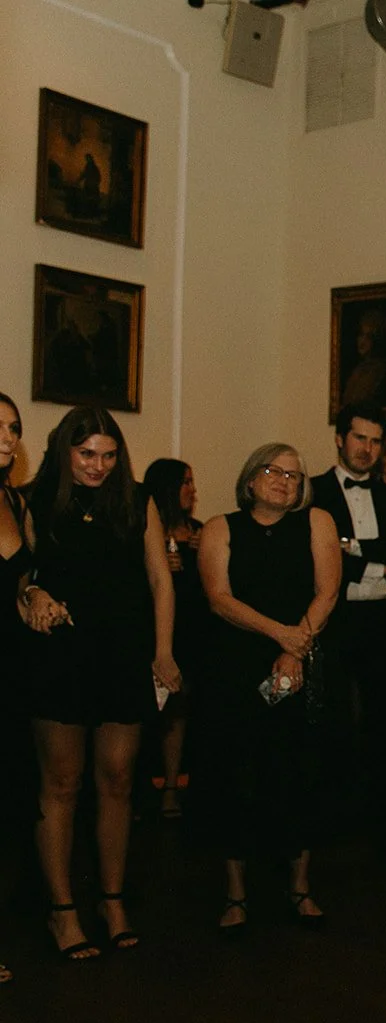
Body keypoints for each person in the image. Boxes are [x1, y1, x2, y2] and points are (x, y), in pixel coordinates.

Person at [22, 406, 182, 959]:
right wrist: (33, 596)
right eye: (87, 454)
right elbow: (21, 575)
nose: (98, 465)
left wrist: (163, 651)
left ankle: (112, 900)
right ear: (66, 451)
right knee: (60, 784)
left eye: (109, 456)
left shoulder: (137, 500)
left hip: (123, 655)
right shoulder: (34, 498)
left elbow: (162, 580)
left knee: (117, 779)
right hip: (60, 656)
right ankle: (62, 911)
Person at [196, 444, 340, 933]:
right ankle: (236, 895)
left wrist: (293, 649)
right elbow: (218, 599)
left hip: (298, 657)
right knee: (237, 774)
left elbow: (328, 591)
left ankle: (300, 888)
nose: (284, 480)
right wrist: (280, 635)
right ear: (250, 479)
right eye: (273, 471)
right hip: (236, 666)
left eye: (295, 476)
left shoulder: (317, 522)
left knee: (299, 768)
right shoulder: (220, 527)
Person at [309, 402, 386, 840]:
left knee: (385, 718)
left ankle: (380, 818)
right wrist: (376, 559)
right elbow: (318, 558)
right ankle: (333, 816)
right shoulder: (312, 491)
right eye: (360, 438)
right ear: (340, 438)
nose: (367, 449)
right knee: (335, 716)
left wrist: (352, 548)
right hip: (334, 617)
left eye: (376, 441)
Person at [143, 458, 206, 819]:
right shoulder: (149, 532)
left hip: (195, 636)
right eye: (185, 482)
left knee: (184, 712)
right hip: (159, 634)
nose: (192, 490)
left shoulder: (199, 532)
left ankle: (173, 788)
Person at [0, 392, 26, 982]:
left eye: (14, 428)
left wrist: (35, 594)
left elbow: (23, 580)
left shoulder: (14, 500)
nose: (8, 438)